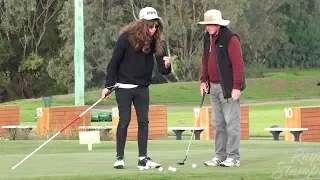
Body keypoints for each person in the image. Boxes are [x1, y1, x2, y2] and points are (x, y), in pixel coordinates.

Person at [101, 7, 171, 169]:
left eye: (156, 26)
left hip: (142, 88)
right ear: (141, 25)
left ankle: (143, 158)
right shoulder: (125, 38)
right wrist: (108, 86)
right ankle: (119, 158)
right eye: (150, 26)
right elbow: (114, 63)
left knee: (143, 122)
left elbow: (162, 69)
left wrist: (167, 65)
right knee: (124, 121)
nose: (154, 29)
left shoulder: (158, 41)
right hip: (123, 87)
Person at [198, 9, 245, 167]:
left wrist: (236, 86)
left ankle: (233, 157)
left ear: (217, 24)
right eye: (206, 25)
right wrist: (203, 81)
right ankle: (220, 155)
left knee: (232, 123)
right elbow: (205, 60)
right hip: (214, 87)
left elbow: (238, 64)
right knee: (218, 123)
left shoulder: (230, 38)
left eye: (210, 24)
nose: (207, 28)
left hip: (229, 87)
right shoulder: (207, 38)